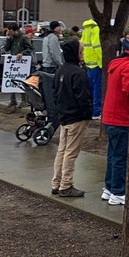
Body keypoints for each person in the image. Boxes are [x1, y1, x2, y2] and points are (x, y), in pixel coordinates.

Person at [51, 41, 93, 197]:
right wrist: (87, 114)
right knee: (71, 152)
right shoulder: (78, 73)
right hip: (76, 117)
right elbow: (83, 97)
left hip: (64, 116)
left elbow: (54, 93)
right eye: (81, 51)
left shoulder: (60, 71)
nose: (83, 54)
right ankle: (66, 185)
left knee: (62, 151)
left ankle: (57, 182)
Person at [100, 45, 129, 205]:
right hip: (121, 117)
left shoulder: (117, 63)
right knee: (120, 156)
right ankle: (118, 191)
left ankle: (109, 188)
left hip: (110, 116)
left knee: (113, 155)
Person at [5, 22, 33, 109]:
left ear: (15, 30)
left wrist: (22, 53)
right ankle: (13, 100)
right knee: (12, 79)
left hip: (22, 63)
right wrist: (8, 39)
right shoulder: (12, 38)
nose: (9, 33)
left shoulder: (23, 38)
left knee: (22, 81)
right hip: (14, 63)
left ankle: (24, 100)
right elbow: (6, 49)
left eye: (11, 31)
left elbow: (30, 48)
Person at [81, 19, 103, 119]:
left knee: (90, 89)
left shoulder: (85, 31)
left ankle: (90, 111)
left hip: (88, 63)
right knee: (97, 89)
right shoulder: (96, 29)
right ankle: (96, 112)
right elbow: (97, 47)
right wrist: (102, 62)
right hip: (96, 64)